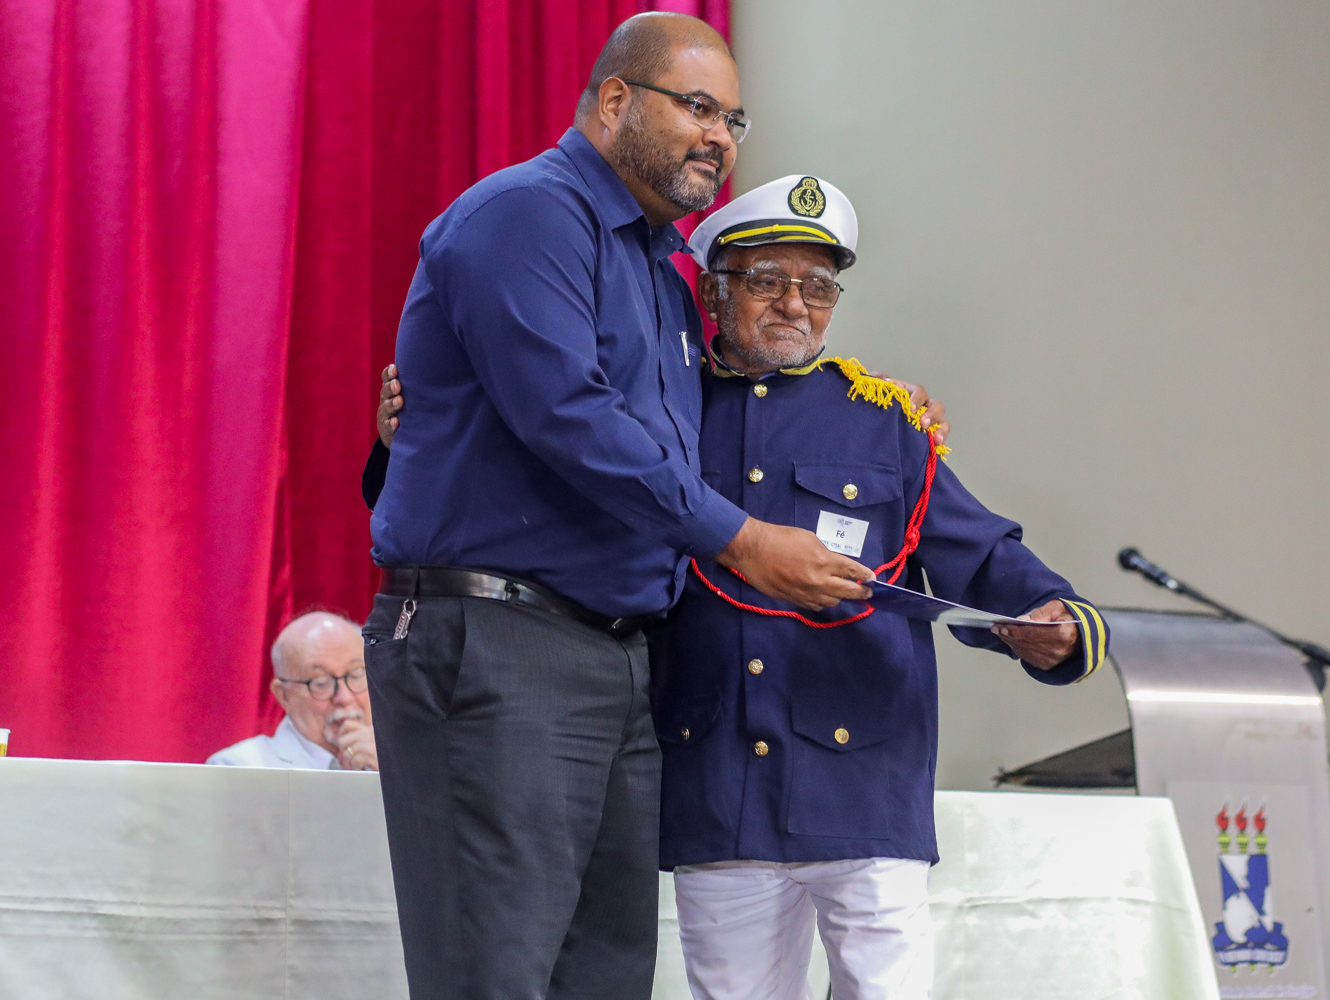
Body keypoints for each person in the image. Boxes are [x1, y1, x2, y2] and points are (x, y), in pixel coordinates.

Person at [362, 13, 876, 1000]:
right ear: (612, 100)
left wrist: (875, 417)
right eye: (696, 107)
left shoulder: (661, 270)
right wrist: (741, 537)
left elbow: (717, 427)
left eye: (733, 117)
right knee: (495, 973)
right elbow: (569, 417)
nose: (720, 136)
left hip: (618, 652)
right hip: (503, 641)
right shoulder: (526, 216)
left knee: (602, 978)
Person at [644, 175, 1111, 1000]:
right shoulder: (667, 414)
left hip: (863, 779)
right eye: (768, 281)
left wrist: (1053, 617)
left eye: (818, 287)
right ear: (714, 289)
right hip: (717, 782)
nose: (796, 304)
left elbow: (979, 547)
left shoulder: (883, 419)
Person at [208, 612, 378, 771]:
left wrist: (392, 770)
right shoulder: (239, 768)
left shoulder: (398, 759)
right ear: (283, 695)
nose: (344, 697)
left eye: (356, 674)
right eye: (321, 682)